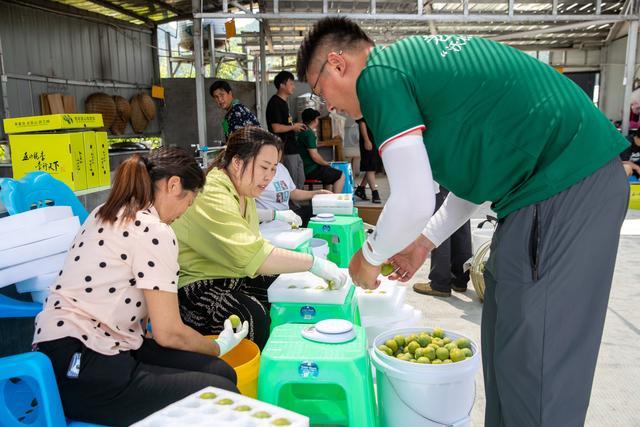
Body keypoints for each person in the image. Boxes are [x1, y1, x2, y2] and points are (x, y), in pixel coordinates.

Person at [297, 17, 629, 427]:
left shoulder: (378, 77)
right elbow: (477, 175)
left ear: (337, 64)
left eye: (318, 90)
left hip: (564, 183)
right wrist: (424, 242)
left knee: (535, 361)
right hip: (536, 196)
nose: (328, 106)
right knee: (505, 346)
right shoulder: (417, 73)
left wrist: (368, 257)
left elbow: (414, 198)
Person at [32, 147, 246, 426]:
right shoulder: (154, 230)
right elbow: (169, 333)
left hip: (84, 348)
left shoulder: (104, 212)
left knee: (222, 374)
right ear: (173, 185)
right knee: (222, 392)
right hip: (81, 365)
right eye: (189, 202)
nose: (184, 213)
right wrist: (217, 346)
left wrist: (212, 352)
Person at [171, 127, 348, 349]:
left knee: (283, 286)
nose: (269, 176)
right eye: (264, 167)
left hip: (233, 274)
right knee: (253, 316)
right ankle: (259, 373)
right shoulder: (213, 191)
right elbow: (254, 255)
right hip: (197, 285)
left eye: (274, 169)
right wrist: (313, 263)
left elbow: (253, 249)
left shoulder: (244, 191)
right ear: (237, 163)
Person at [412, 186, 472, 297]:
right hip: (464, 174)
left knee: (440, 221)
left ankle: (440, 282)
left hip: (444, 175)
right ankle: (460, 279)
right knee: (461, 214)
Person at [256, 155, 331, 227]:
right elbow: (248, 213)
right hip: (267, 222)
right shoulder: (256, 174)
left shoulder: (281, 168)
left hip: (287, 217)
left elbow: (293, 192)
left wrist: (317, 193)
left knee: (315, 211)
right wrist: (276, 215)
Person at [266, 71, 307, 189]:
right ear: (281, 85)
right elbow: (276, 127)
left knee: (300, 179)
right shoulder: (275, 103)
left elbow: (285, 124)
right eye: (291, 83)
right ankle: (292, 206)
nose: (293, 86)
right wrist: (293, 127)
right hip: (285, 149)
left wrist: (296, 126)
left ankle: (297, 204)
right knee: (292, 182)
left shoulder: (284, 103)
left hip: (292, 147)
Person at [297, 108, 345, 193]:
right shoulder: (309, 133)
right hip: (310, 169)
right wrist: (325, 163)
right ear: (314, 121)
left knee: (328, 176)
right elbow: (314, 156)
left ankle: (327, 201)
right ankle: (336, 201)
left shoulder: (299, 131)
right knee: (340, 175)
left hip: (301, 168)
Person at [354, 118, 381, 203]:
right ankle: (375, 193)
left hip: (375, 139)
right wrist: (366, 140)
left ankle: (361, 189)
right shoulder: (365, 106)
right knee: (370, 166)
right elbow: (362, 123)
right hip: (368, 140)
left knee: (373, 166)